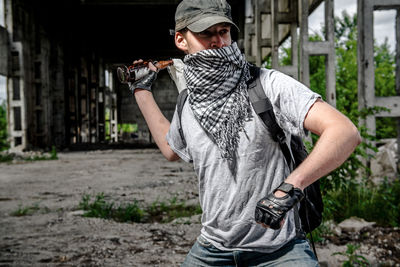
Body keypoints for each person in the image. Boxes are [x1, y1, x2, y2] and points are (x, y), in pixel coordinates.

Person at [131, 0, 361, 266]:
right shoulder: (188, 103)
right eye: (206, 33)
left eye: (223, 31)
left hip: (279, 249)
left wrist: (291, 187)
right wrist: (141, 91)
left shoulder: (267, 84)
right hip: (212, 249)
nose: (218, 41)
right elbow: (172, 149)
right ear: (181, 40)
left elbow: (344, 131)